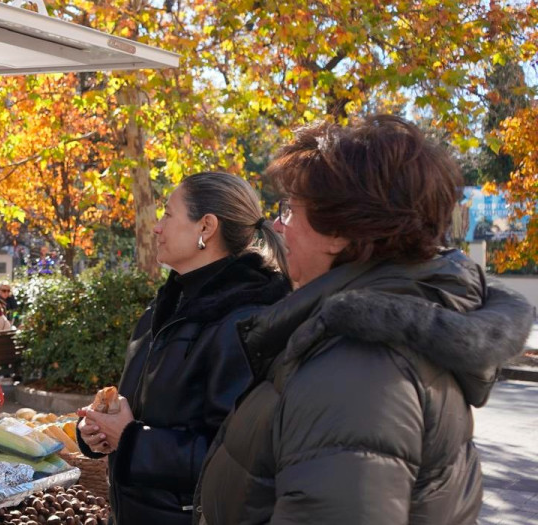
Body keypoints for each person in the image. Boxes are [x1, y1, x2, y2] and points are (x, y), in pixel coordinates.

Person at [195, 116, 536, 524]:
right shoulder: (369, 338)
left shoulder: (358, 366)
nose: (278, 225)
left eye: (291, 209)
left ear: (340, 231)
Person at [76, 171, 292, 525]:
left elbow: (240, 460)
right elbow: (144, 412)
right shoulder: (164, 309)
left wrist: (131, 440)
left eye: (168, 214)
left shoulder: (246, 322)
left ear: (206, 227)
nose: (157, 227)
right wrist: (99, 430)